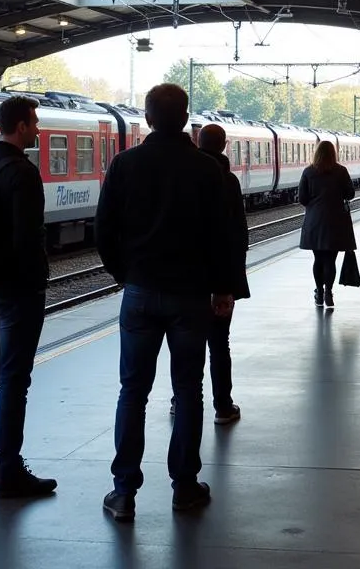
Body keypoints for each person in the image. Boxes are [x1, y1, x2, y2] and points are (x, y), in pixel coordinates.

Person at [95, 84, 236, 522]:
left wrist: (125, 274)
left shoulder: (125, 164)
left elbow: (104, 229)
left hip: (139, 294)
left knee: (132, 391)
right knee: (188, 390)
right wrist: (222, 288)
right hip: (191, 296)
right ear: (185, 117)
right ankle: (185, 486)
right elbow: (224, 236)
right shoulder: (207, 170)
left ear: (149, 117)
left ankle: (123, 492)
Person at [0, 95, 57, 500]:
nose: (37, 129)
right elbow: (27, 237)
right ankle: (11, 472)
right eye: (34, 123)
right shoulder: (23, 172)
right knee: (14, 380)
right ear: (20, 126)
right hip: (16, 292)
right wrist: (37, 282)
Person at [195, 122, 250, 425]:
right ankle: (223, 406)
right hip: (219, 279)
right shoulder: (227, 181)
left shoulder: (184, 177)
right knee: (219, 343)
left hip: (188, 280)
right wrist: (228, 286)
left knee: (188, 344)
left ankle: (181, 399)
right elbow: (237, 236)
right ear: (225, 145)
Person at [299, 140, 357, 308]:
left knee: (318, 259)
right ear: (333, 153)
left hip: (314, 222)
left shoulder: (308, 172)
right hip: (336, 222)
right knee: (330, 260)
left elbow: (302, 198)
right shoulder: (341, 171)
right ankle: (329, 293)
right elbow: (350, 193)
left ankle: (318, 291)